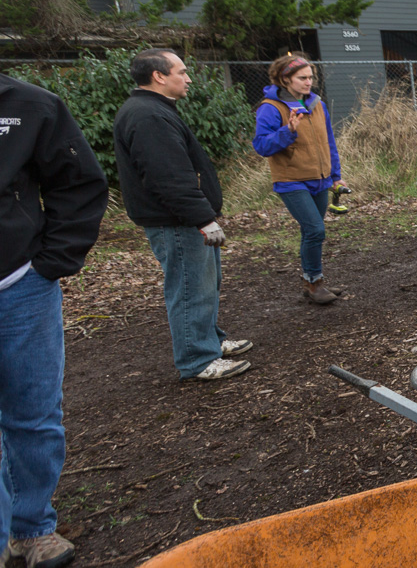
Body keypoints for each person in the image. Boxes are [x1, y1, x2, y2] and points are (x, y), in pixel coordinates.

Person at [0, 72, 108, 568]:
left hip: (18, 288)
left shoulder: (28, 105)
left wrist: (51, 263)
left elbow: (78, 181)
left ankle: (31, 525)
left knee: (34, 412)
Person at [114, 49, 252, 381]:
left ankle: (210, 342)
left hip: (181, 218)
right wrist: (202, 218)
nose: (188, 78)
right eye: (182, 72)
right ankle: (197, 359)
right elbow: (168, 177)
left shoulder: (154, 110)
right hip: (176, 221)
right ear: (159, 76)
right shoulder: (148, 116)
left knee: (205, 285)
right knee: (191, 287)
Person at [251, 53, 345, 304]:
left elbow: (329, 143)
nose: (308, 82)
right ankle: (315, 284)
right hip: (291, 180)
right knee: (315, 230)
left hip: (320, 179)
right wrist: (288, 131)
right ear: (285, 79)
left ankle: (310, 281)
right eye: (302, 78)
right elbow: (261, 146)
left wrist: (336, 176)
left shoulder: (317, 104)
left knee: (310, 231)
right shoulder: (270, 108)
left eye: (310, 77)